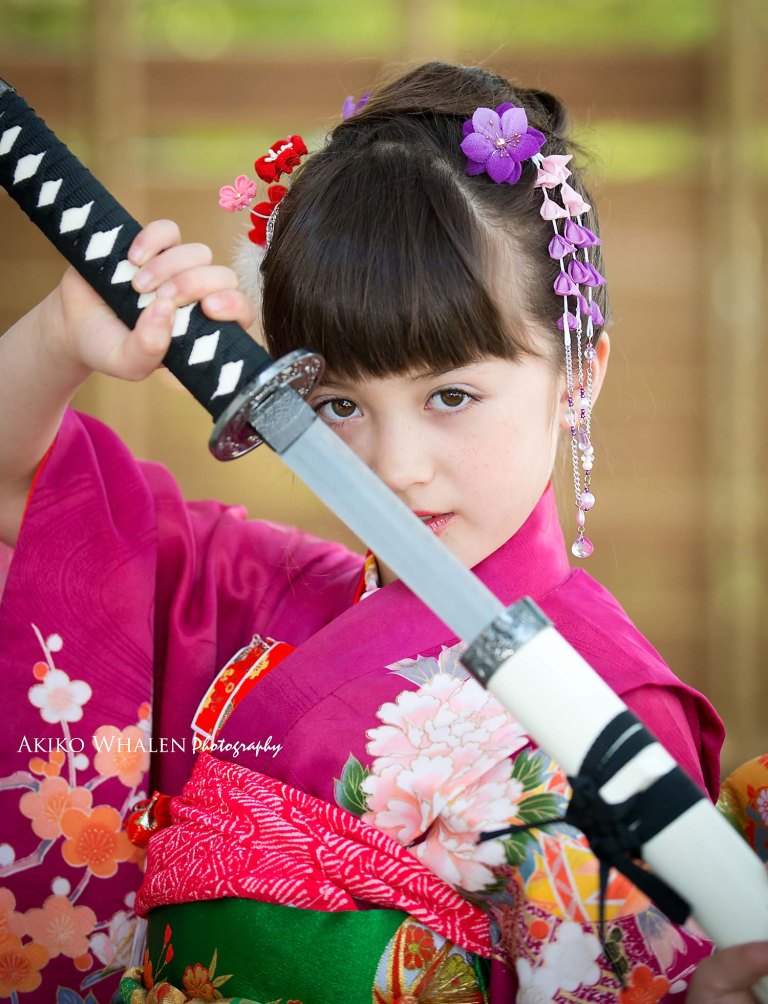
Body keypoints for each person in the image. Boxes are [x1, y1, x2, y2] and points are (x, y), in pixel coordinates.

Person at [0, 61, 763, 1003]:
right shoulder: (269, 595)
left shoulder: (614, 712)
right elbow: (26, 510)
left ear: (579, 372)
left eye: (451, 395)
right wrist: (59, 336)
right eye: (338, 405)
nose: (395, 467)